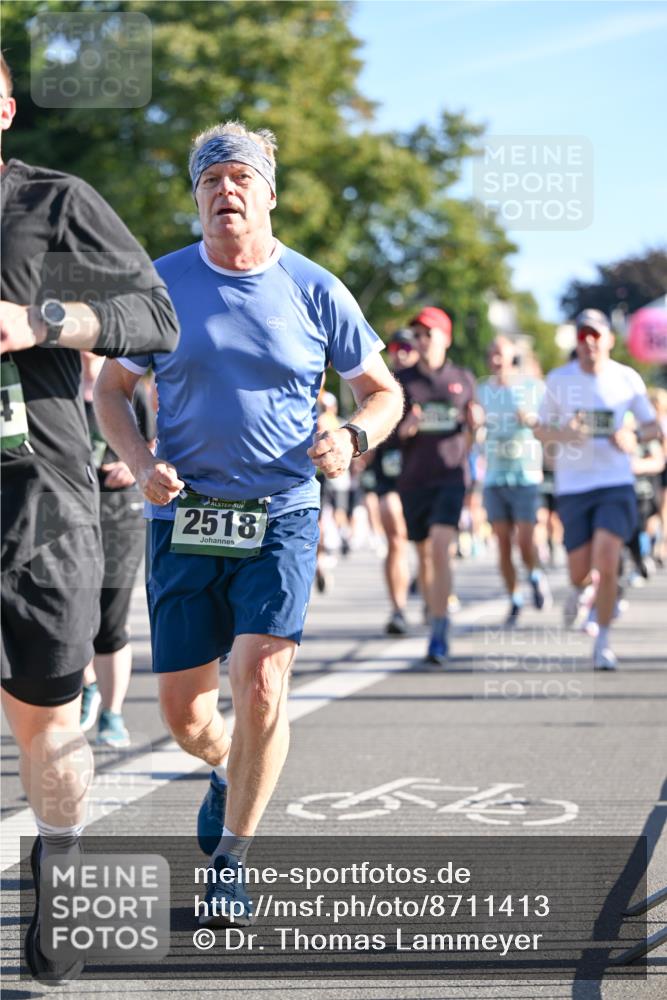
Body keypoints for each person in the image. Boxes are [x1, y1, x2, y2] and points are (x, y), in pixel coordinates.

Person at [94, 120, 403, 925]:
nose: (224, 194)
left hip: (283, 511)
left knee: (262, 679)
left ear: (267, 194)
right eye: (209, 183)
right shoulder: (157, 285)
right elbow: (109, 391)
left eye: (239, 181)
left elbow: (384, 389)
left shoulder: (315, 287)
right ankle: (229, 767)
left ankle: (230, 860)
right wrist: (140, 455)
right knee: (186, 715)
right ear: (195, 198)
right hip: (185, 515)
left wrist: (354, 434)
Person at [0, 54, 179, 985]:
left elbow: (155, 317)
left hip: (38, 504)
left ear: (5, 106)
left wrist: (41, 320)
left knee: (48, 718)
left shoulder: (52, 203)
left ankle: (58, 870)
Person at [536, 309, 659, 670]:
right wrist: (565, 434)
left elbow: (654, 428)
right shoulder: (560, 380)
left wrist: (632, 435)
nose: (588, 341)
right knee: (579, 570)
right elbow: (541, 430)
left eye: (595, 334)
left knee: (607, 559)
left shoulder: (627, 378)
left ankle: (602, 639)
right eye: (581, 335)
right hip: (574, 486)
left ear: (609, 339)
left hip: (615, 482)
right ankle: (577, 589)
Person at [395, 306, 481, 664]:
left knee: (441, 548)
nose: (422, 340)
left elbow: (473, 435)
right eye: (418, 334)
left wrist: (476, 427)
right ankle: (434, 609)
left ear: (445, 338)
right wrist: (408, 427)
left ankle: (440, 630)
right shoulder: (402, 380)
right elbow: (392, 435)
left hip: (450, 477)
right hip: (414, 479)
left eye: (429, 334)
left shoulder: (462, 378)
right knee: (424, 554)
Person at [80, 352, 156, 747]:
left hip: (119, 509)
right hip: (65, 509)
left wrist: (135, 464)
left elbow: (157, 439)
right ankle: (87, 682)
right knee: (68, 612)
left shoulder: (130, 388)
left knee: (111, 616)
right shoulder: (58, 385)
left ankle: (112, 715)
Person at [478, 335, 550, 625]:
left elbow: (547, 424)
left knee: (525, 539)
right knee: (503, 544)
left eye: (501, 354)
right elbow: (475, 425)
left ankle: (534, 574)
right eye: (492, 354)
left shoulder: (533, 388)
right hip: (495, 475)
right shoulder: (482, 390)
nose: (496, 359)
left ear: (513, 359)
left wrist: (530, 418)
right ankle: (515, 599)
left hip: (525, 473)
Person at [363, 329, 418, 634]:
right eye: (395, 347)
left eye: (407, 346)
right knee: (395, 537)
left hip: (423, 477)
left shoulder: (428, 384)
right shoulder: (383, 383)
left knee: (424, 543)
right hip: (388, 473)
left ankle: (434, 591)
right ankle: (398, 609)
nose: (401, 352)